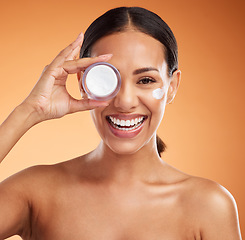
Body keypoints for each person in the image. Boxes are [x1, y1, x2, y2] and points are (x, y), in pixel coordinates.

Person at [0, 6, 242, 240]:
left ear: (172, 87)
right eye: (107, 78)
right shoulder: (36, 192)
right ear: (84, 82)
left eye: (146, 80)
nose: (125, 102)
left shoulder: (209, 205)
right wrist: (29, 111)